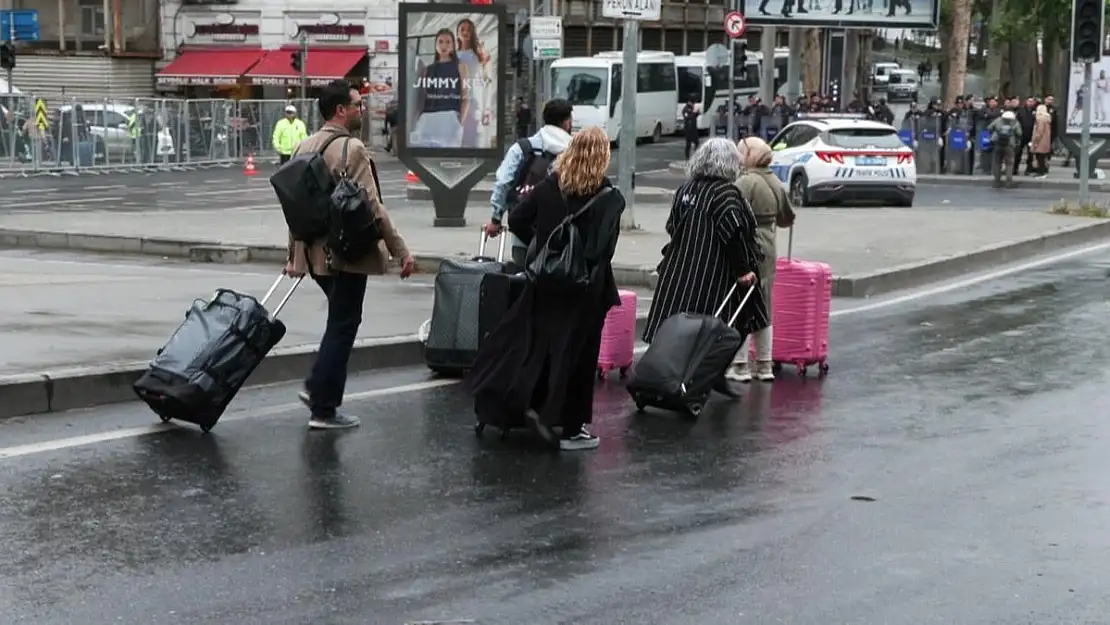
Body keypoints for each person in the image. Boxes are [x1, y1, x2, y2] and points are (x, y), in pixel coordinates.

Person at [465, 126, 625, 451]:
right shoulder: (608, 196)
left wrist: (543, 243)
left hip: (545, 281)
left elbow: (519, 219)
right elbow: (602, 250)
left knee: (536, 347)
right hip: (584, 289)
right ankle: (571, 428)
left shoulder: (550, 185)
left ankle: (522, 404)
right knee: (579, 358)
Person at [284, 80, 415, 430]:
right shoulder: (352, 149)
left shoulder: (303, 146)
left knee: (340, 320)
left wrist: (294, 257)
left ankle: (318, 386)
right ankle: (322, 406)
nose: (362, 109)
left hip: (315, 256)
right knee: (344, 324)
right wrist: (400, 250)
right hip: (347, 253)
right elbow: (373, 207)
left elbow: (295, 208)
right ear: (341, 110)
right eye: (357, 104)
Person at [643, 138, 770, 391]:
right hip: (713, 273)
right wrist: (743, 269)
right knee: (736, 321)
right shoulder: (726, 194)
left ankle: (668, 369)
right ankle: (709, 373)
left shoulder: (685, 190)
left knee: (674, 323)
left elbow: (672, 226)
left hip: (679, 269)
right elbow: (733, 234)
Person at [730, 136, 795, 383]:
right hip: (770, 247)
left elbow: (731, 212)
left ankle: (739, 365)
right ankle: (764, 364)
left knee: (741, 304)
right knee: (764, 305)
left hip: (748, 245)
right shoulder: (776, 182)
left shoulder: (745, 183)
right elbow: (787, 218)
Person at [486, 98, 573, 268]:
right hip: (563, 237)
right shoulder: (574, 153)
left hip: (524, 235)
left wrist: (496, 219)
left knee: (524, 281)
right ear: (566, 123)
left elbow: (504, 182)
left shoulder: (523, 148)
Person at [410, 28, 469, 148]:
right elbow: (422, 98)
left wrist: (460, 124)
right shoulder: (428, 69)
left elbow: (466, 96)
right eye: (440, 42)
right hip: (428, 118)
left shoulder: (460, 67)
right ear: (436, 44)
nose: (444, 45)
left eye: (448, 42)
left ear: (453, 45)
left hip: (449, 117)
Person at [456, 18, 492, 148]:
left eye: (468, 30)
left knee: (476, 142)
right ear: (457, 33)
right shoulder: (454, 55)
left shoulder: (480, 54)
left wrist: (487, 108)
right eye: (462, 29)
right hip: (457, 103)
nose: (465, 32)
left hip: (476, 103)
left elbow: (488, 82)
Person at [987, 110, 1022, 188]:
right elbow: (1019, 133)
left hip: (998, 143)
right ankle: (1008, 182)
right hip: (1009, 145)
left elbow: (989, 128)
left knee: (997, 163)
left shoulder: (998, 120)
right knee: (1009, 164)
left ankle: (996, 182)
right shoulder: (1015, 122)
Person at [1029, 103, 1053, 177]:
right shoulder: (1047, 118)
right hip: (1045, 141)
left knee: (1039, 158)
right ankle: (1043, 171)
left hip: (1040, 142)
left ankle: (1041, 172)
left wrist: (1035, 141)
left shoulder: (1040, 119)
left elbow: (1039, 131)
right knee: (1042, 158)